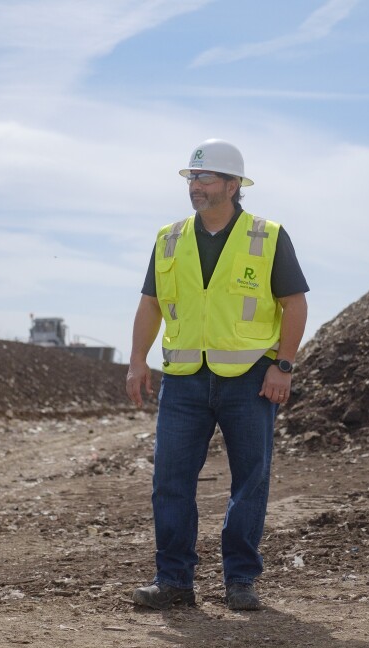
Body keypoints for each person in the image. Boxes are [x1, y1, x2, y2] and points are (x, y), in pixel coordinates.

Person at [126, 138, 309, 611]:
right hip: (184, 378)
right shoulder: (169, 238)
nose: (196, 186)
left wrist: (283, 366)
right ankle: (173, 581)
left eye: (205, 178)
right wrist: (136, 360)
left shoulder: (266, 236)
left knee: (250, 480)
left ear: (232, 185)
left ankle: (241, 580)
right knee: (170, 480)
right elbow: (150, 304)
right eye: (192, 177)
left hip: (250, 378)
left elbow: (294, 304)